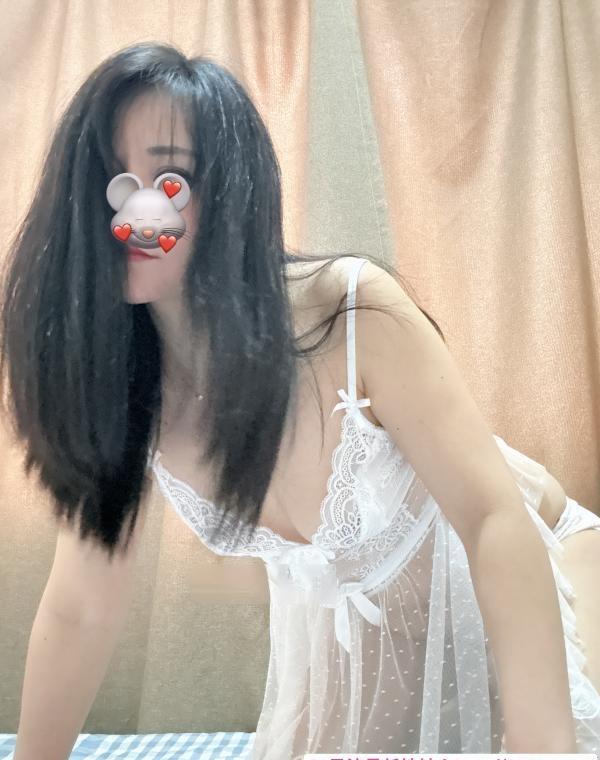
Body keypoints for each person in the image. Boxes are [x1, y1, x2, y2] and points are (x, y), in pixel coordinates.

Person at [2, 42, 599, 759]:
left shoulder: (349, 311)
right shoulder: (127, 393)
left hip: (546, 590)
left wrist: (541, 743)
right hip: (376, 663)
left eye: (172, 179)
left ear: (232, 195)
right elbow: (80, 609)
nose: (138, 208)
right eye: (114, 179)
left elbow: (494, 517)